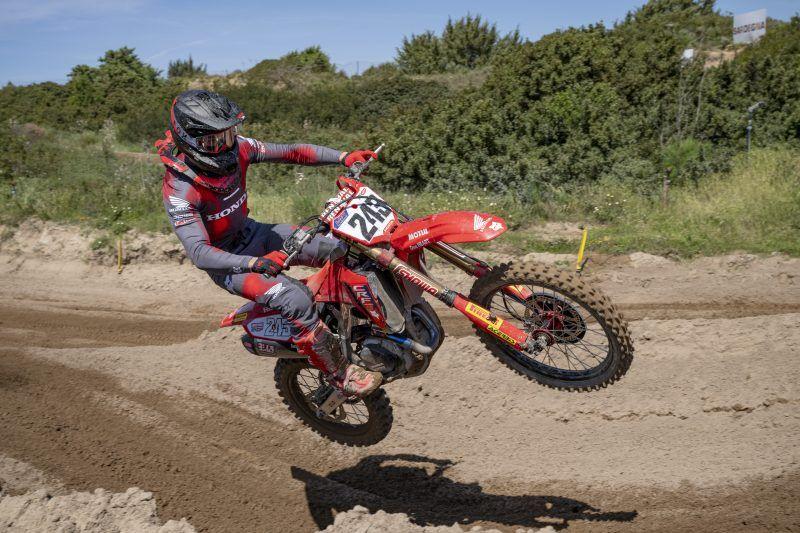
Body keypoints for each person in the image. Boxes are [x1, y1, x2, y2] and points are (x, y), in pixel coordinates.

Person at [156, 89, 382, 396]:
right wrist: (254, 263)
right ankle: (340, 375)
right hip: (231, 264)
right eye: (213, 141)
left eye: (228, 135)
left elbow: (292, 152)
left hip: (254, 233)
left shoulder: (240, 148)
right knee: (295, 299)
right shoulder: (179, 189)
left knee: (338, 247)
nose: (225, 145)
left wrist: (342, 156)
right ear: (189, 141)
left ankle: (359, 323)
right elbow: (199, 253)